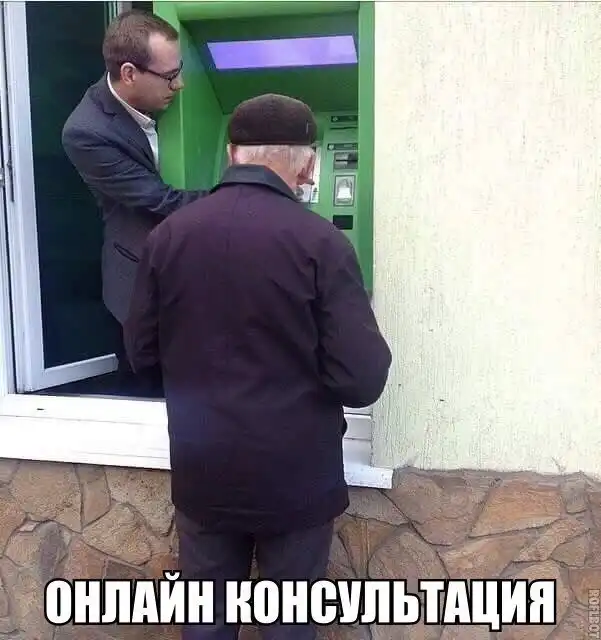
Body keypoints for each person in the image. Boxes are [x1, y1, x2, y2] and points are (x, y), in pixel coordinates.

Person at [123, 93, 392, 640]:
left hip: (203, 471)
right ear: (309, 165)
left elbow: (142, 356)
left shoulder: (169, 235)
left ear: (231, 153)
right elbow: (361, 378)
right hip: (295, 476)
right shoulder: (321, 242)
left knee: (205, 623)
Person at [61, 9, 207, 397]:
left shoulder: (155, 95)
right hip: (140, 283)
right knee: (149, 394)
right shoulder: (87, 132)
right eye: (170, 76)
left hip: (191, 270)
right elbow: (158, 200)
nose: (181, 85)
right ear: (129, 74)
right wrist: (244, 196)